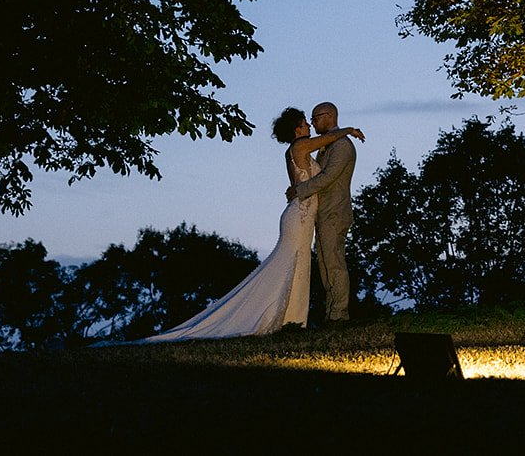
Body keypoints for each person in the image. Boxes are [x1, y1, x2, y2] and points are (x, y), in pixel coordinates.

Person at [136, 108, 364, 342]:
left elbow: (320, 170)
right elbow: (326, 142)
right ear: (297, 129)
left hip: (308, 215)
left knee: (300, 264)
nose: (309, 125)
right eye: (306, 122)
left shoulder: (306, 148)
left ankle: (293, 319)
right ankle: (284, 319)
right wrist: (347, 129)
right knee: (292, 263)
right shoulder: (300, 146)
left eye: (312, 121)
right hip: (300, 216)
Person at [286, 101, 358, 324]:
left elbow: (328, 177)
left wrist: (300, 190)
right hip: (321, 214)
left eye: (315, 118)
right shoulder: (327, 144)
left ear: (328, 116)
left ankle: (339, 315)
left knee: (334, 262)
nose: (313, 122)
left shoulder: (343, 145)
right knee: (326, 265)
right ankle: (332, 314)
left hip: (335, 212)